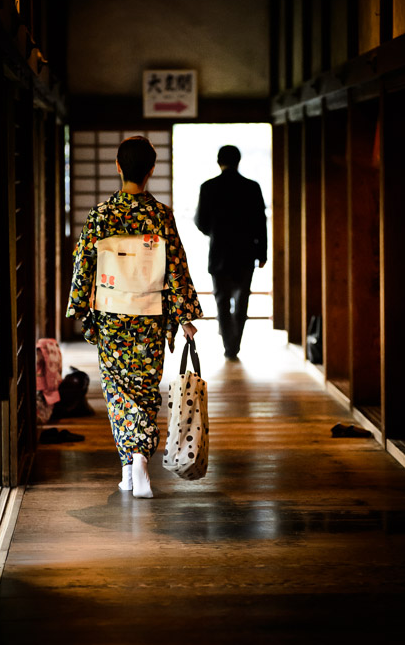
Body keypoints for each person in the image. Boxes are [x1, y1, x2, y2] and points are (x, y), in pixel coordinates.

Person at [66, 136, 203, 498]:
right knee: (144, 389)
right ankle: (136, 460)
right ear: (151, 170)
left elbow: (84, 266)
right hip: (149, 315)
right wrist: (184, 315)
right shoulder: (160, 215)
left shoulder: (101, 215)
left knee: (117, 391)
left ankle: (130, 462)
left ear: (117, 166)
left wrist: (80, 308)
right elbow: (176, 268)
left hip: (112, 315)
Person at [194, 144, 267, 361]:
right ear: (238, 161)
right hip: (246, 254)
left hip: (219, 254)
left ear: (219, 161)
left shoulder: (208, 187)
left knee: (222, 301)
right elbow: (260, 223)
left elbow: (200, 222)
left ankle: (229, 346)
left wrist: (215, 233)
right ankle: (235, 343)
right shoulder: (252, 187)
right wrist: (262, 254)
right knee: (242, 299)